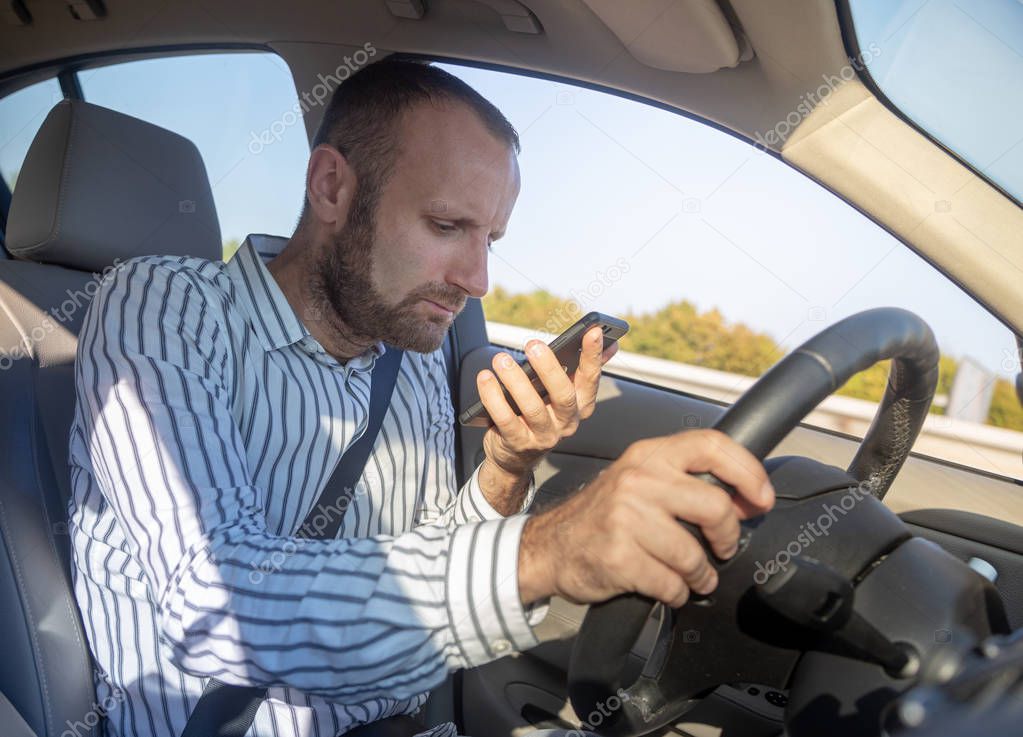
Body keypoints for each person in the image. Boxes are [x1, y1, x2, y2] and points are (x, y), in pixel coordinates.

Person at [67, 58, 775, 737]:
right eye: (446, 226)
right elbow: (215, 604)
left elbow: (438, 551)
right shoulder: (163, 305)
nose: (478, 278)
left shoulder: (403, 356)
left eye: (491, 238)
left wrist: (507, 462)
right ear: (332, 189)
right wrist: (550, 548)